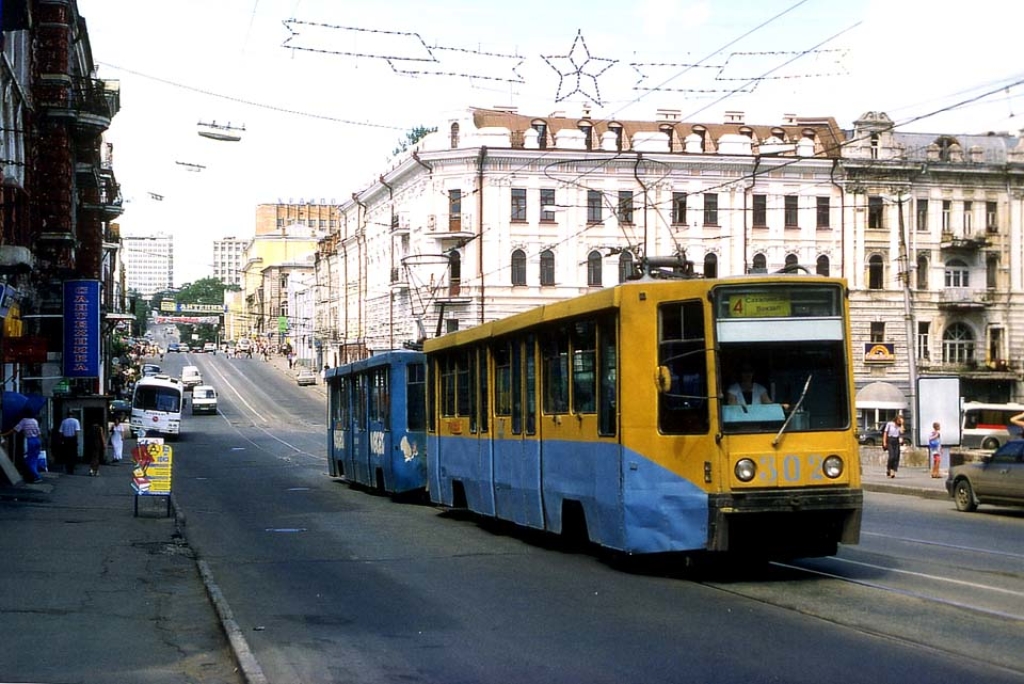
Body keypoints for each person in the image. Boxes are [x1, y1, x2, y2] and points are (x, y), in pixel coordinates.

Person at [12, 409, 43, 484]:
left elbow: (15, 430)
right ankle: (34, 475)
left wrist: (4, 434)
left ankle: (37, 476)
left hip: (30, 441)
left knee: (29, 460)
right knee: (34, 459)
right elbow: (39, 433)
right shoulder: (35, 421)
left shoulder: (24, 421)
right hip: (37, 440)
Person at [57, 410, 82, 475]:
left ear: (67, 415)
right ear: (72, 415)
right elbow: (77, 431)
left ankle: (67, 467)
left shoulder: (64, 421)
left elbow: (60, 432)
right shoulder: (76, 421)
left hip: (66, 439)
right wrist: (76, 439)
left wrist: (61, 439)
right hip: (73, 439)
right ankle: (72, 467)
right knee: (73, 453)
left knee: (67, 453)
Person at [882, 414, 905, 478]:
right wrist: (884, 442)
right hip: (890, 440)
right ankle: (889, 468)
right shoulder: (890, 424)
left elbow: (902, 432)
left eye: (900, 421)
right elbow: (885, 433)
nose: (899, 422)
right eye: (899, 421)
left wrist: (902, 424)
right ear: (896, 419)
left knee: (896, 456)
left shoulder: (900, 426)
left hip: (896, 441)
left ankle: (893, 471)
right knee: (891, 456)